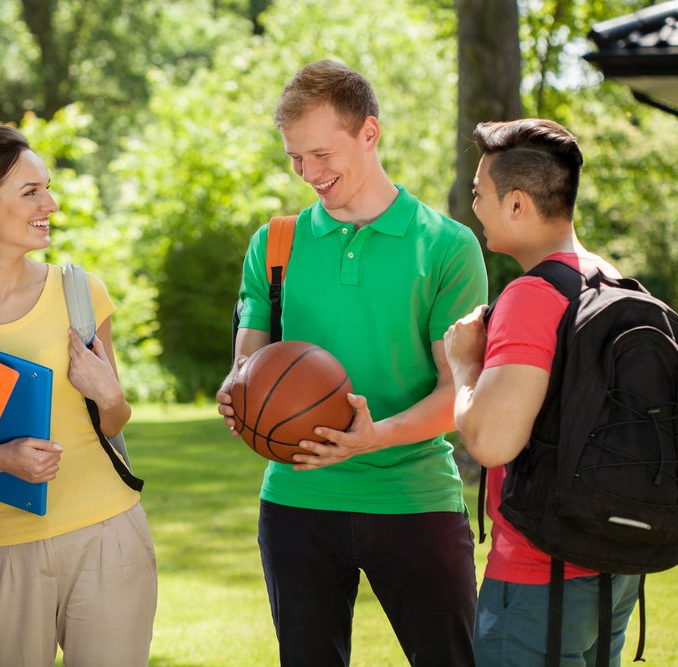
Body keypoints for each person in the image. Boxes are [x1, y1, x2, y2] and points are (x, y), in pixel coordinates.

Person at [215, 59, 487, 666]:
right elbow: (248, 363)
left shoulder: (445, 246)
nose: (308, 173)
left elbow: (457, 391)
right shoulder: (275, 244)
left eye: (320, 154)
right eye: (294, 159)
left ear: (370, 132)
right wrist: (237, 392)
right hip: (296, 502)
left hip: (415, 498)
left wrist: (371, 439)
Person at [0, 125, 156, 667]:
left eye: (48, 187)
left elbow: (113, 420)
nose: (51, 203)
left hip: (106, 533)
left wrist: (109, 394)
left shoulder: (79, 292)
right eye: (30, 192)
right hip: (1, 550)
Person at [444, 118, 641, 666]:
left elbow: (490, 442)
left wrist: (463, 364)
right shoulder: (611, 280)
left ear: (517, 205)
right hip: (613, 563)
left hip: (539, 571)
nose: (476, 208)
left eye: (481, 196)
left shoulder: (532, 295)